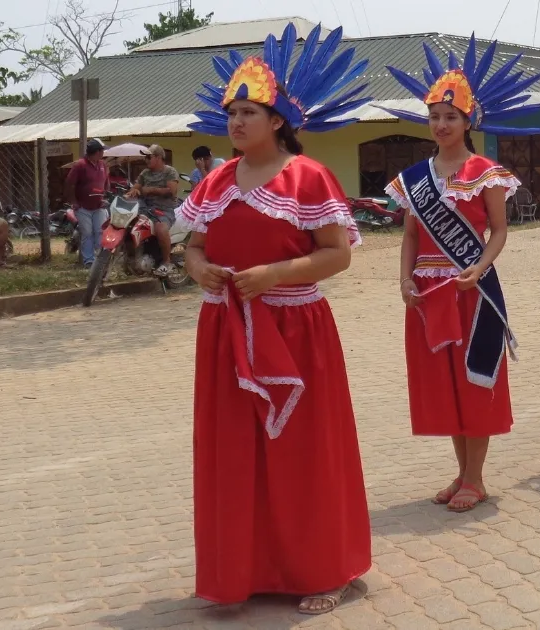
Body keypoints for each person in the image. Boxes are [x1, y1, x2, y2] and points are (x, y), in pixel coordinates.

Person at [175, 22, 373, 615]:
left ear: (278, 120)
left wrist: (273, 276)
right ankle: (247, 569)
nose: (236, 122)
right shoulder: (214, 181)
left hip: (295, 329)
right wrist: (198, 269)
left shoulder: (308, 177)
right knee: (234, 450)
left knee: (304, 451)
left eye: (249, 112)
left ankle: (324, 568)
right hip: (226, 329)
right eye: (231, 112)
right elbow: (192, 246)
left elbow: (336, 254)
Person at [379, 35, 540, 512]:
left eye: (450, 117)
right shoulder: (415, 179)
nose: (441, 124)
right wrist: (404, 279)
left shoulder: (484, 171)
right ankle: (461, 473)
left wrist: (480, 265)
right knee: (444, 384)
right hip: (431, 292)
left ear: (467, 120)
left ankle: (476, 478)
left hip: (473, 289)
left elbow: (498, 230)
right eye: (434, 116)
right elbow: (411, 235)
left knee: (475, 379)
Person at [126, 144, 179, 276]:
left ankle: (167, 262)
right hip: (145, 208)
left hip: (164, 209)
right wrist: (132, 192)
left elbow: (171, 191)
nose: (146, 160)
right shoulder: (145, 173)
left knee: (161, 229)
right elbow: (136, 187)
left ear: (159, 157)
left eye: (149, 157)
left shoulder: (169, 171)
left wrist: (150, 190)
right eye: (146, 157)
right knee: (128, 225)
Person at [64, 138, 110, 267]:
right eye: (102, 151)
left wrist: (105, 195)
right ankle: (88, 261)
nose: (103, 154)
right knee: (87, 233)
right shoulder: (80, 165)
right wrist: (74, 202)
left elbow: (106, 183)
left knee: (100, 231)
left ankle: (99, 259)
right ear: (96, 152)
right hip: (83, 207)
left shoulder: (103, 165)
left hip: (99, 205)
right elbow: (70, 184)